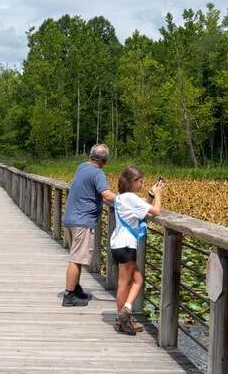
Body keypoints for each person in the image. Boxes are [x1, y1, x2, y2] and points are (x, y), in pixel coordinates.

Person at [110, 165, 164, 335]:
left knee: (133, 281)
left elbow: (140, 209)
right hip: (127, 245)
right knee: (128, 283)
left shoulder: (120, 197)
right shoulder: (131, 198)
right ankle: (124, 313)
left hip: (117, 244)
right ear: (133, 181)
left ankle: (123, 318)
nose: (142, 184)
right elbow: (156, 211)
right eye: (140, 181)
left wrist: (150, 195)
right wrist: (159, 196)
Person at [61, 143, 115, 307]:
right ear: (104, 161)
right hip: (82, 221)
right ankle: (69, 295)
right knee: (77, 259)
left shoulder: (82, 167)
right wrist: (126, 200)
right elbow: (106, 195)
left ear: (90, 156)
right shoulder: (98, 173)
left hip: (70, 219)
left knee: (77, 256)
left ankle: (76, 289)